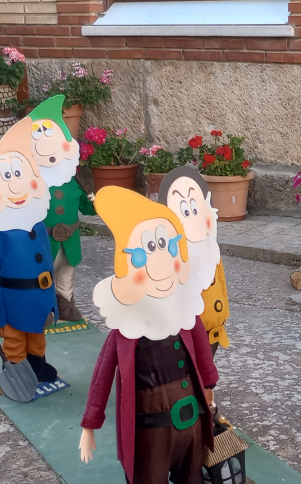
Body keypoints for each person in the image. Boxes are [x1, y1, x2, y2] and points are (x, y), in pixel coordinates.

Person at [79, 187, 218, 484]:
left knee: (192, 477)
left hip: (191, 421)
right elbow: (103, 375)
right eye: (146, 250)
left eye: (167, 246)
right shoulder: (127, 329)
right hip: (150, 428)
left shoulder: (184, 313)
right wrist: (90, 424)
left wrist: (209, 386)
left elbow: (202, 350)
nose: (159, 262)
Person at [0, 119, 59, 383]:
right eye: (7, 177)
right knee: (14, 333)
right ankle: (16, 366)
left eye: (20, 175)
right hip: (13, 292)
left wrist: (52, 292)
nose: (15, 185)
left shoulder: (38, 222)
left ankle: (37, 362)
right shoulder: (0, 229)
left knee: (37, 329)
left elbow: (47, 257)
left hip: (40, 291)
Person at [27, 95, 95, 322]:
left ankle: (65, 306)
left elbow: (86, 207)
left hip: (69, 241)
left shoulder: (72, 181)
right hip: (42, 241)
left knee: (66, 274)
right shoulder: (31, 182)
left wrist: (98, 204)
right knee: (41, 274)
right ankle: (43, 308)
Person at [158, 166, 229, 350]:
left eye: (195, 208)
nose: (191, 217)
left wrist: (224, 314)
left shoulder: (211, 250)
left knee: (208, 364)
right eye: (184, 211)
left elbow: (221, 281)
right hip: (187, 331)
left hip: (214, 328)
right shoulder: (172, 256)